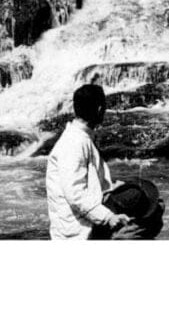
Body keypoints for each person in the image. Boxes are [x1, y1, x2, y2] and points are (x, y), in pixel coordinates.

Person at [45, 84, 132, 240]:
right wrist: (108, 217)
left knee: (141, 197)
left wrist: (111, 186)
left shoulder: (80, 137)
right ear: (100, 110)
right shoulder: (73, 143)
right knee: (144, 219)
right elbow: (75, 194)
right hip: (77, 233)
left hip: (82, 221)